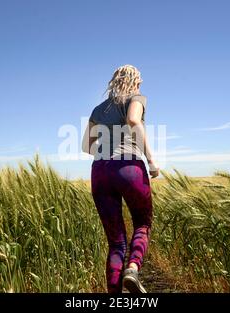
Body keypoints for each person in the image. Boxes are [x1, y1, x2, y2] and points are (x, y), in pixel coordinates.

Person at [82, 64, 159, 293]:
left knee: (116, 243)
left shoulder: (98, 109)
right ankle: (133, 270)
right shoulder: (136, 97)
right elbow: (134, 120)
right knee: (142, 224)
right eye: (140, 81)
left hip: (100, 172)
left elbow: (86, 146)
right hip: (129, 168)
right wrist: (152, 160)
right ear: (135, 80)